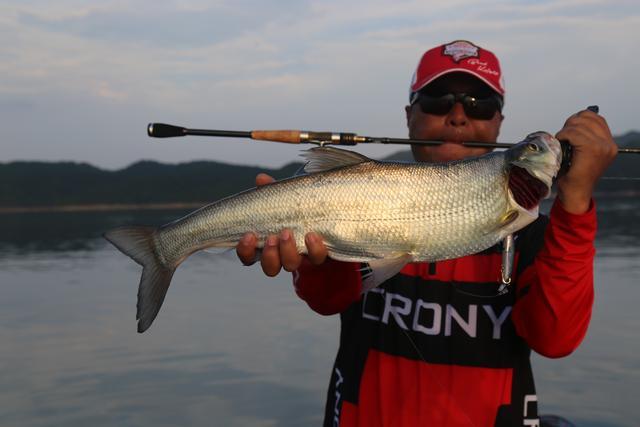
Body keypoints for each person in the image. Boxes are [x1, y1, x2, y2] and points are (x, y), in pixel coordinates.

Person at [236, 40, 617, 426]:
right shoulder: (360, 205)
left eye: (479, 104)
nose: (457, 116)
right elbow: (328, 298)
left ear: (500, 121)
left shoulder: (532, 232)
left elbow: (555, 339)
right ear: (409, 114)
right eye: (437, 100)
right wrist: (314, 261)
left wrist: (576, 202)